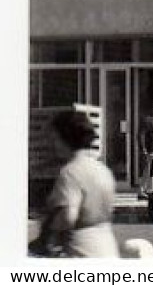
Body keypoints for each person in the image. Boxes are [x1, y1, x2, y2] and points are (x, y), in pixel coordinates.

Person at [31, 109, 118, 258]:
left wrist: (47, 235)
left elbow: (67, 216)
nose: (52, 144)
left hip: (80, 250)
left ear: (65, 138)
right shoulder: (102, 169)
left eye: (54, 138)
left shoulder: (71, 172)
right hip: (107, 246)